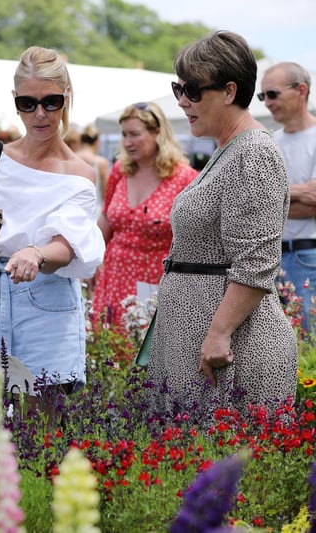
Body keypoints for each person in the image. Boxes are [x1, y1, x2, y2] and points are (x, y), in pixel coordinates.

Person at [147, 31, 297, 416]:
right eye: (178, 88)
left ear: (229, 92)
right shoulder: (228, 150)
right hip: (203, 341)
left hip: (231, 352)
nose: (182, 101)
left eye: (193, 90)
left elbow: (256, 262)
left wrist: (217, 333)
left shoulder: (255, 152)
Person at [0, 45, 105, 388]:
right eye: (27, 104)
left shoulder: (79, 174)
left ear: (66, 97)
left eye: (51, 102)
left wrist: (37, 253)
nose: (40, 114)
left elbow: (68, 245)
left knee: (42, 427)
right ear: (15, 100)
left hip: (47, 302)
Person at [91, 102, 196, 328]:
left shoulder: (184, 178)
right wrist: (91, 259)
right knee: (109, 351)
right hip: (114, 275)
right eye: (124, 135)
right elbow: (107, 218)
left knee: (147, 352)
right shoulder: (120, 170)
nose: (127, 142)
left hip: (155, 280)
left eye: (135, 135)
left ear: (157, 132)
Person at [260, 61, 316, 334]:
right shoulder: (269, 141)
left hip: (308, 254)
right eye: (262, 96)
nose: (267, 102)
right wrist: (296, 192)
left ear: (301, 90)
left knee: (308, 343)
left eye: (272, 94)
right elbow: (254, 203)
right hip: (271, 256)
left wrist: (272, 198)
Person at [78, 124, 111, 207]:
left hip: (74, 208)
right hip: (94, 210)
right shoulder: (101, 162)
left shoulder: (72, 158)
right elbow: (105, 192)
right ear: (97, 142)